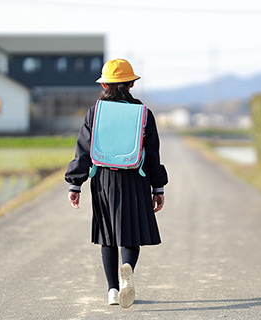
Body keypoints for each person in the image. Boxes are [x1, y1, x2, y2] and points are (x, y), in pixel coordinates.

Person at [64, 59, 168, 308]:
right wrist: (158, 187)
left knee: (107, 236)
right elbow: (152, 154)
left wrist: (75, 184)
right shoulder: (143, 113)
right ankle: (127, 270)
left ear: (106, 85)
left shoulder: (95, 112)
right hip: (136, 177)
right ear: (131, 83)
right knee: (131, 234)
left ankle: (112, 290)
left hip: (103, 179)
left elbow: (83, 150)